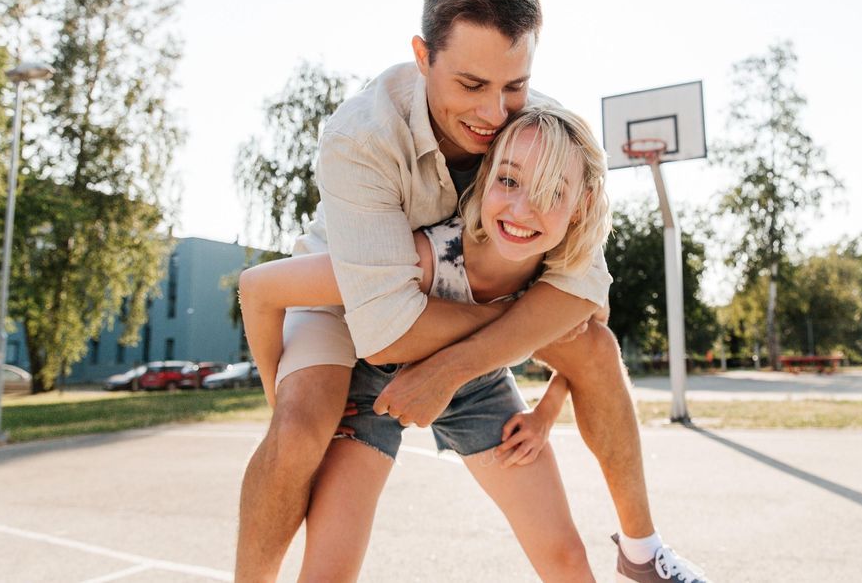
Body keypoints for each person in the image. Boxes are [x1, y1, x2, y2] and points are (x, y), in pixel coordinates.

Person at [234, 0, 711, 583]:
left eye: (513, 85)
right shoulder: (362, 136)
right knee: (298, 431)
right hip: (354, 300)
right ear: (424, 56)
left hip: (460, 321)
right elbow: (382, 326)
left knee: (591, 344)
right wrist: (527, 322)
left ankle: (642, 549)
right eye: (471, 85)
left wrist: (520, 384)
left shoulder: (540, 142)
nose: (493, 113)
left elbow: (582, 290)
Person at [241, 106, 605, 580]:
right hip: (374, 384)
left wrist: (546, 412)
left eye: (551, 191)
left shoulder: (569, 274)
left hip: (478, 383)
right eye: (509, 182)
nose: (521, 211)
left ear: (581, 203)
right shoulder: (420, 256)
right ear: (486, 177)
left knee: (567, 558)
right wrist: (277, 398)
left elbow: (583, 346)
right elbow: (259, 287)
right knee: (329, 571)